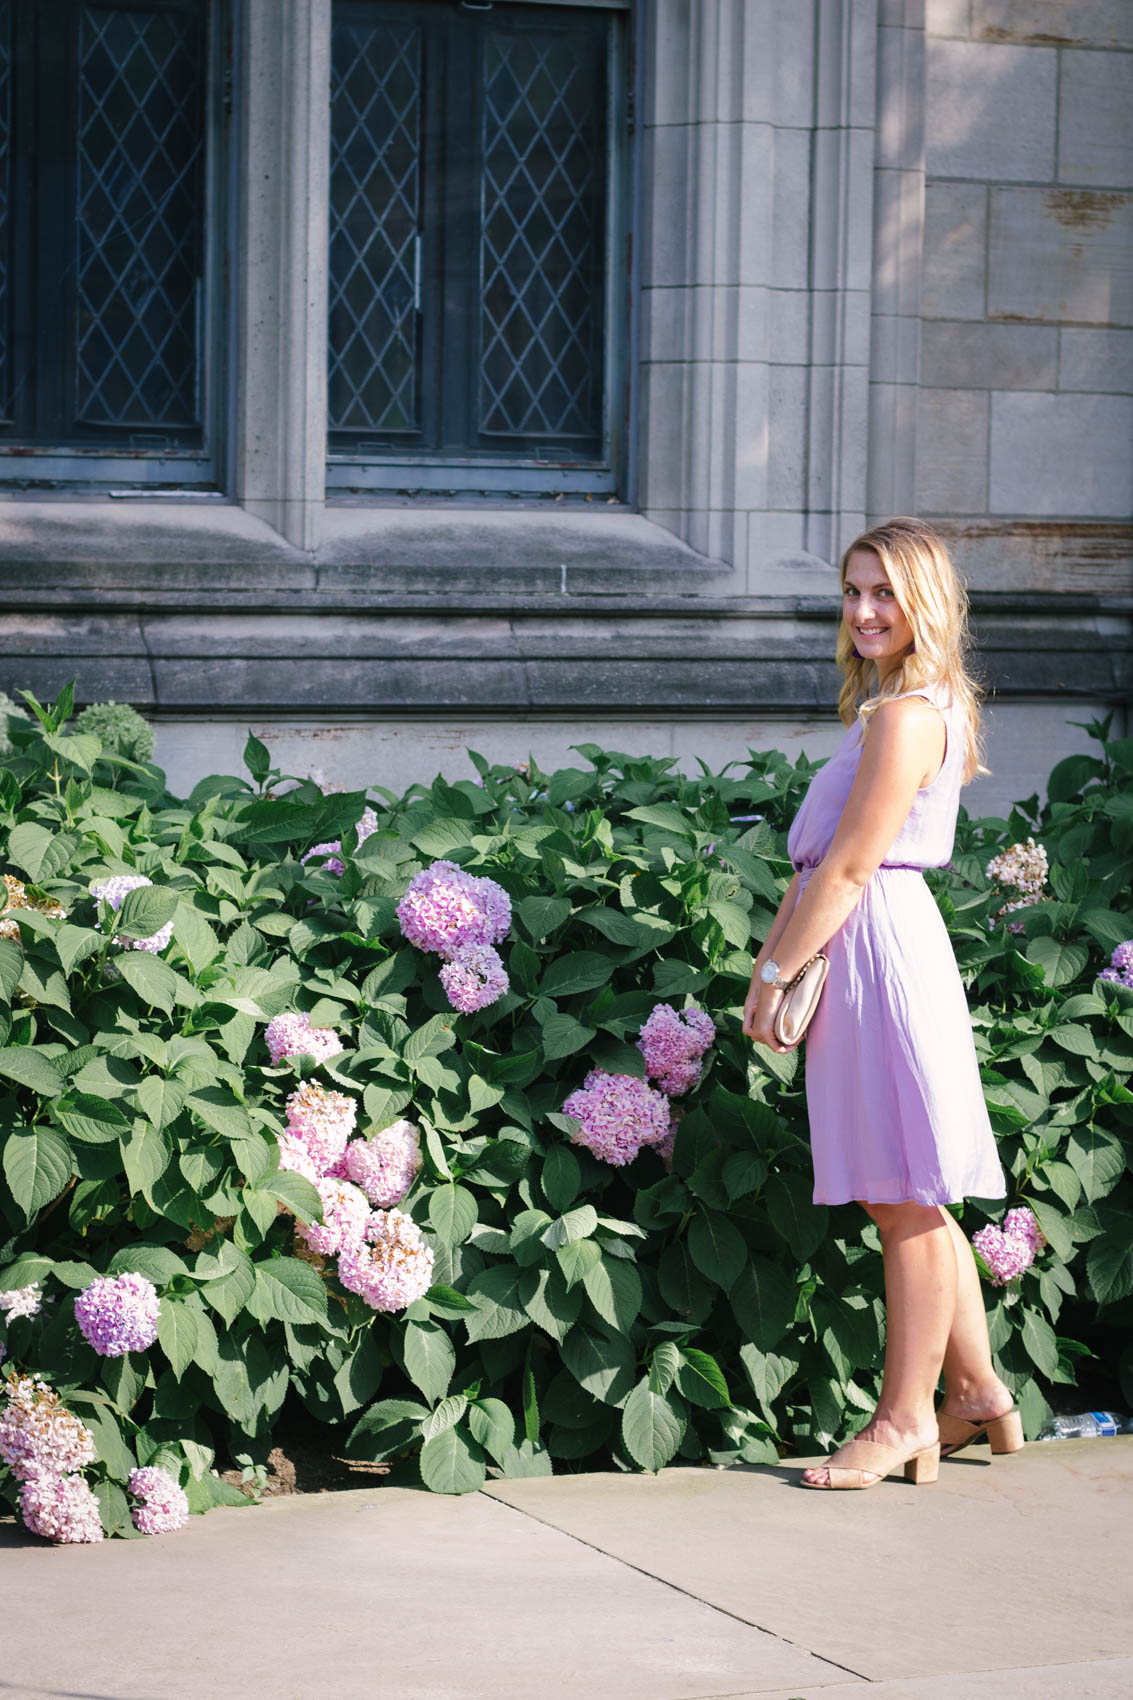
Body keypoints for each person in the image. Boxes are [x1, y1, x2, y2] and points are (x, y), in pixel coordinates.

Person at [742, 517, 1022, 1491]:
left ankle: (903, 1416)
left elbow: (850, 863)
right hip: (874, 944)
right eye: (852, 591)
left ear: (922, 603)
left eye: (883, 593)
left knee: (900, 1195)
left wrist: (776, 972)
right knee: (911, 1187)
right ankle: (977, 1388)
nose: (862, 610)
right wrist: (771, 962)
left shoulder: (904, 716)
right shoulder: (907, 705)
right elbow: (828, 862)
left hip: (874, 950)